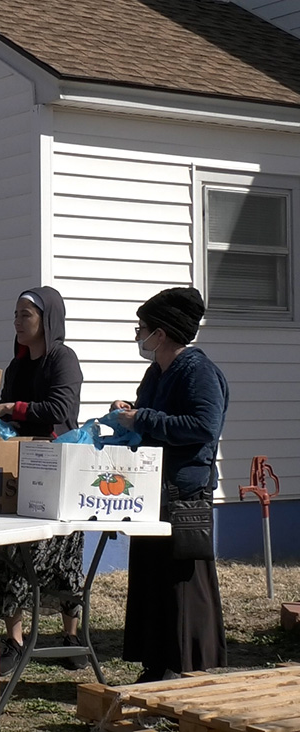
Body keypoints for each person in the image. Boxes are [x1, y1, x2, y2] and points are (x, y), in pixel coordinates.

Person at [114, 287, 228, 682]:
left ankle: (188, 666)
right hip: (150, 490)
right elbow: (148, 414)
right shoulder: (157, 372)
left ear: (159, 334)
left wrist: (142, 420)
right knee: (150, 580)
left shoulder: (198, 372)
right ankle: (156, 662)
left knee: (181, 584)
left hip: (184, 495)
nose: (137, 335)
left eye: (141, 328)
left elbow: (202, 427)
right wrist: (130, 412)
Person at [0, 286, 87, 675]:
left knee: (64, 556)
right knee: (11, 553)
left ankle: (72, 635)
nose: (18, 322)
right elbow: (5, 411)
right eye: (16, 315)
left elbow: (61, 408)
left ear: (47, 319)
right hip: (21, 468)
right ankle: (16, 640)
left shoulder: (63, 359)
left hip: (59, 468)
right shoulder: (17, 365)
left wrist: (14, 408)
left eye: (26, 315)